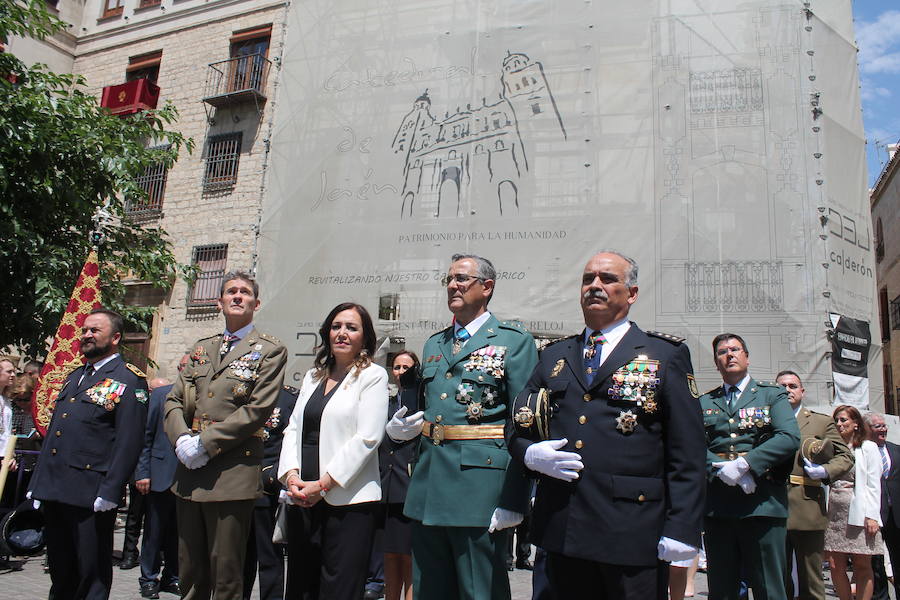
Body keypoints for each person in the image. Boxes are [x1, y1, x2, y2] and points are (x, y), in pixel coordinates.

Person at [508, 250, 706, 599]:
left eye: (607, 279)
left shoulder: (664, 354)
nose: (594, 286)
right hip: (561, 527)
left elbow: (687, 451)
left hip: (630, 532)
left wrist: (682, 528)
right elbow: (519, 422)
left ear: (631, 294)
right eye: (588, 279)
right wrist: (529, 454)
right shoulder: (554, 355)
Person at [388, 253, 537, 600]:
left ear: (487, 287)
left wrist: (515, 497)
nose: (452, 285)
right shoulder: (434, 343)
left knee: (479, 589)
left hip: (480, 488)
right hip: (428, 485)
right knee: (430, 588)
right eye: (449, 279)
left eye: (461, 279)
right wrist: (402, 429)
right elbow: (430, 411)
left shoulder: (513, 341)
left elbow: (523, 424)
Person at [165, 271, 287, 600]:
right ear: (219, 301)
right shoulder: (201, 348)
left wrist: (205, 443)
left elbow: (256, 410)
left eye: (244, 292)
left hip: (231, 475)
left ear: (255, 303)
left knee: (226, 575)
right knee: (189, 572)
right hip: (190, 472)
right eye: (230, 291)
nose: (237, 296)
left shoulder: (269, 350)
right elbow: (174, 400)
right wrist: (181, 441)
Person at [28, 308, 149, 600]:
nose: (86, 335)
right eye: (84, 330)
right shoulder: (76, 377)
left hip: (90, 493)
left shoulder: (128, 380)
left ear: (116, 337)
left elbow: (129, 441)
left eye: (95, 330)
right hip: (56, 488)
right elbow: (57, 432)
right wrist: (38, 483)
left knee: (90, 572)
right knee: (60, 568)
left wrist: (110, 490)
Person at [277, 302, 388, 599]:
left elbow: (368, 437)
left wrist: (324, 485)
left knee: (338, 587)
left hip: (347, 500)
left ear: (364, 338)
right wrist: (291, 476)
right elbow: (294, 428)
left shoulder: (373, 376)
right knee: (301, 584)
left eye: (352, 328)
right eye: (336, 326)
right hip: (303, 496)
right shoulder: (314, 377)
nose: (342, 333)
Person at [700, 333, 800, 600]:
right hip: (719, 507)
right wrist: (722, 468)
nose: (729, 355)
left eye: (735, 349)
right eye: (722, 352)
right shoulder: (704, 403)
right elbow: (692, 446)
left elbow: (788, 437)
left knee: (769, 588)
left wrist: (746, 465)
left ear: (746, 356)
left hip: (762, 504)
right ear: (716, 362)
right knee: (722, 589)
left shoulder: (772, 395)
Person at [776, 370, 853, 600]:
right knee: (777, 577)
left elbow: (845, 457)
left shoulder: (820, 421)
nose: (787, 390)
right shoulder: (765, 419)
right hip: (772, 504)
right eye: (782, 386)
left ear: (802, 391)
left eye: (792, 386)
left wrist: (825, 471)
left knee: (811, 577)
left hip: (807, 504)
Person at [243, 384, 299, 600]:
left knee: (269, 557)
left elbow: (290, 442)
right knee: (236, 557)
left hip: (266, 488)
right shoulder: (241, 393)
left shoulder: (287, 398)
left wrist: (274, 476)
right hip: (235, 486)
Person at [825, 405, 884, 600]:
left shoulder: (867, 447)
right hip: (833, 512)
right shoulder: (831, 447)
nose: (839, 424)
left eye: (843, 420)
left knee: (861, 564)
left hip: (858, 511)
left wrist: (872, 516)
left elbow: (874, 484)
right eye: (836, 421)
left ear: (856, 423)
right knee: (834, 564)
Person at [135, 366, 183, 599]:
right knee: (154, 531)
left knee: (179, 533)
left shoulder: (204, 394)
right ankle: (148, 577)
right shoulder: (161, 394)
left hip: (187, 479)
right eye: (185, 366)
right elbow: (146, 434)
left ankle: (172, 577)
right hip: (160, 473)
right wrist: (143, 472)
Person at [380, 351, 420, 600]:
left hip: (409, 487)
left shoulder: (420, 402)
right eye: (396, 367)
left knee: (409, 558)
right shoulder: (384, 401)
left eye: (407, 367)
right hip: (386, 487)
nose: (401, 371)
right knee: (389, 555)